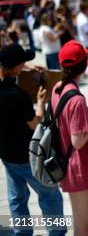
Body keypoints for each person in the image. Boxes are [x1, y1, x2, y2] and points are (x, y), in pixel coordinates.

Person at [0, 44, 65, 236]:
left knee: (16, 198)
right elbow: (34, 124)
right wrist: (41, 102)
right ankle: (56, 232)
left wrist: (27, 68)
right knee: (49, 195)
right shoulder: (18, 95)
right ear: (17, 66)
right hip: (27, 156)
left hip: (7, 154)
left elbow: (8, 69)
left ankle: (22, 232)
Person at [51, 40, 88, 236]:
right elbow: (78, 141)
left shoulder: (58, 88)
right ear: (84, 64)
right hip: (79, 169)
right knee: (83, 229)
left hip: (67, 164)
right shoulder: (77, 99)